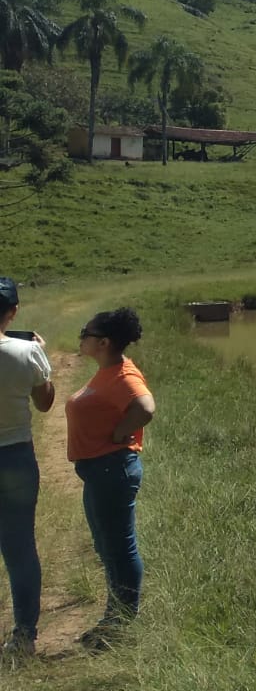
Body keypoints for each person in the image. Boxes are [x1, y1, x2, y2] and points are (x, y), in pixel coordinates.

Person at [67, 307, 153, 650]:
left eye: (84, 334)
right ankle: (113, 618)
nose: (81, 338)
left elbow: (145, 407)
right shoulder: (108, 370)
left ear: (102, 342)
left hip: (111, 469)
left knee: (119, 548)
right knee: (107, 546)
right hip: (100, 471)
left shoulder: (121, 375)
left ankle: (119, 626)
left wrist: (119, 434)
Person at [0, 277, 54, 662]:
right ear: (13, 312)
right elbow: (45, 403)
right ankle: (24, 636)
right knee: (20, 549)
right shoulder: (25, 352)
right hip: (14, 456)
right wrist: (41, 358)